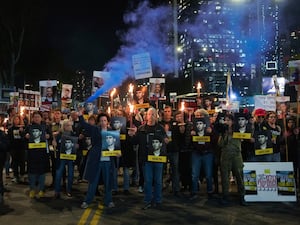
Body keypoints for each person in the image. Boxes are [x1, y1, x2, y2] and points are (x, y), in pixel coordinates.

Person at [128, 107, 168, 210]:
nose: (151, 116)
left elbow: (165, 141)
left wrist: (166, 140)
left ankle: (158, 200)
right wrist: (131, 136)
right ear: (146, 116)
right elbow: (135, 142)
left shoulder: (160, 128)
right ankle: (147, 200)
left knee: (158, 181)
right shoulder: (141, 129)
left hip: (158, 159)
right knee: (148, 181)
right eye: (149, 114)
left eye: (153, 114)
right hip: (146, 160)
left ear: (156, 116)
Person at [78, 108, 115, 209]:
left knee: (108, 182)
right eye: (101, 120)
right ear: (99, 122)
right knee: (93, 182)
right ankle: (87, 201)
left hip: (107, 161)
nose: (103, 122)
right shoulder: (95, 129)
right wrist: (80, 115)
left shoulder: (112, 132)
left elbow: (116, 146)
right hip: (96, 160)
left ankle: (109, 200)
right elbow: (84, 125)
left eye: (105, 120)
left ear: (108, 122)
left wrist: (117, 153)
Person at [217, 114, 247, 206]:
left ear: (233, 121)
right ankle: (225, 196)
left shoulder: (238, 130)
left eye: (229, 120)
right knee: (225, 177)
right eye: (225, 120)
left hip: (236, 155)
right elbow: (220, 144)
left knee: (239, 176)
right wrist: (223, 134)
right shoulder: (223, 131)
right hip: (225, 155)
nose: (227, 122)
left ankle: (242, 196)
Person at [25, 111, 51, 199]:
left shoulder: (46, 127)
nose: (36, 118)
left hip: (42, 153)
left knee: (42, 172)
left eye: (38, 117)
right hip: (32, 153)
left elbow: (51, 137)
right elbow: (24, 138)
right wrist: (26, 136)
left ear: (41, 118)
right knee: (32, 172)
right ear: (32, 118)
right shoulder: (29, 127)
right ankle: (32, 189)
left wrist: (49, 136)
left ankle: (41, 189)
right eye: (35, 117)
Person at [53, 119, 78, 198]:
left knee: (70, 173)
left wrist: (77, 146)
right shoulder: (59, 134)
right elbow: (55, 144)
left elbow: (77, 144)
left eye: (70, 125)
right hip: (61, 157)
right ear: (63, 126)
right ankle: (57, 191)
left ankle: (69, 190)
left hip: (70, 157)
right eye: (67, 125)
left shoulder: (73, 134)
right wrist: (54, 143)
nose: (69, 126)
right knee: (59, 173)